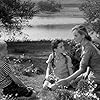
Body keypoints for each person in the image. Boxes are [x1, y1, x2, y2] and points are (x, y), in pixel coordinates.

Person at [51, 24, 100, 90]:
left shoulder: (88, 49)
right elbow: (92, 61)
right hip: (92, 74)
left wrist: (66, 80)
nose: (74, 38)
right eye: (73, 35)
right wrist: (87, 73)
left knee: (78, 91)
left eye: (76, 35)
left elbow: (82, 69)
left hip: (97, 78)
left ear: (83, 36)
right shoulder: (86, 45)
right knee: (74, 83)